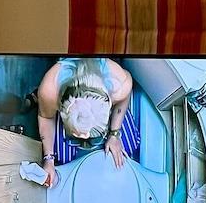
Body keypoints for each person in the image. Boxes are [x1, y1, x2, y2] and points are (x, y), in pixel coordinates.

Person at [32, 56, 133, 189]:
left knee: (128, 147)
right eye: (80, 133)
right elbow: (46, 118)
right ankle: (36, 99)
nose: (85, 136)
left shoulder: (119, 85)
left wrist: (114, 134)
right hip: (55, 96)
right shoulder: (49, 91)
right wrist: (49, 159)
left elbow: (124, 97)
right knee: (62, 159)